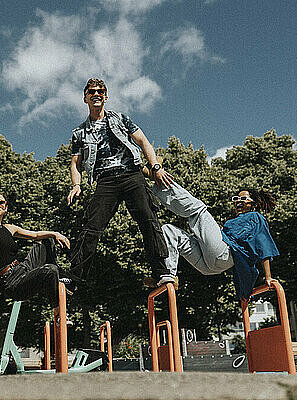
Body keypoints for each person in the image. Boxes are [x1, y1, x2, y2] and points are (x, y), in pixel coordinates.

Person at [67, 78, 175, 287]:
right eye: (92, 92)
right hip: (105, 181)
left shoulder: (121, 119)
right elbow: (75, 164)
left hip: (131, 174)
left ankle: (162, 271)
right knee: (91, 226)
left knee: (148, 219)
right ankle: (74, 277)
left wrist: (155, 167)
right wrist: (76, 185)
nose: (96, 94)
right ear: (85, 98)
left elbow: (143, 142)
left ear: (106, 97)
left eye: (100, 91)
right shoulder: (79, 132)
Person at [149, 181, 279, 300]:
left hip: (224, 256)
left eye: (243, 198)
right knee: (169, 231)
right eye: (236, 199)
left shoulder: (255, 217)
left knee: (199, 210)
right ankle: (166, 276)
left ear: (253, 204)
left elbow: (263, 244)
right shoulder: (230, 222)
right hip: (209, 266)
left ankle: (160, 184)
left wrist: (268, 276)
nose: (238, 201)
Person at [0, 191, 70, 308]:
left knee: (48, 239)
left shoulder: (10, 228)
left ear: (6, 207)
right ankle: (58, 310)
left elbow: (36, 235)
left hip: (23, 269)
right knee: (50, 270)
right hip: (12, 281)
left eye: (0, 202)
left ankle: (58, 278)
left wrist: (56, 233)